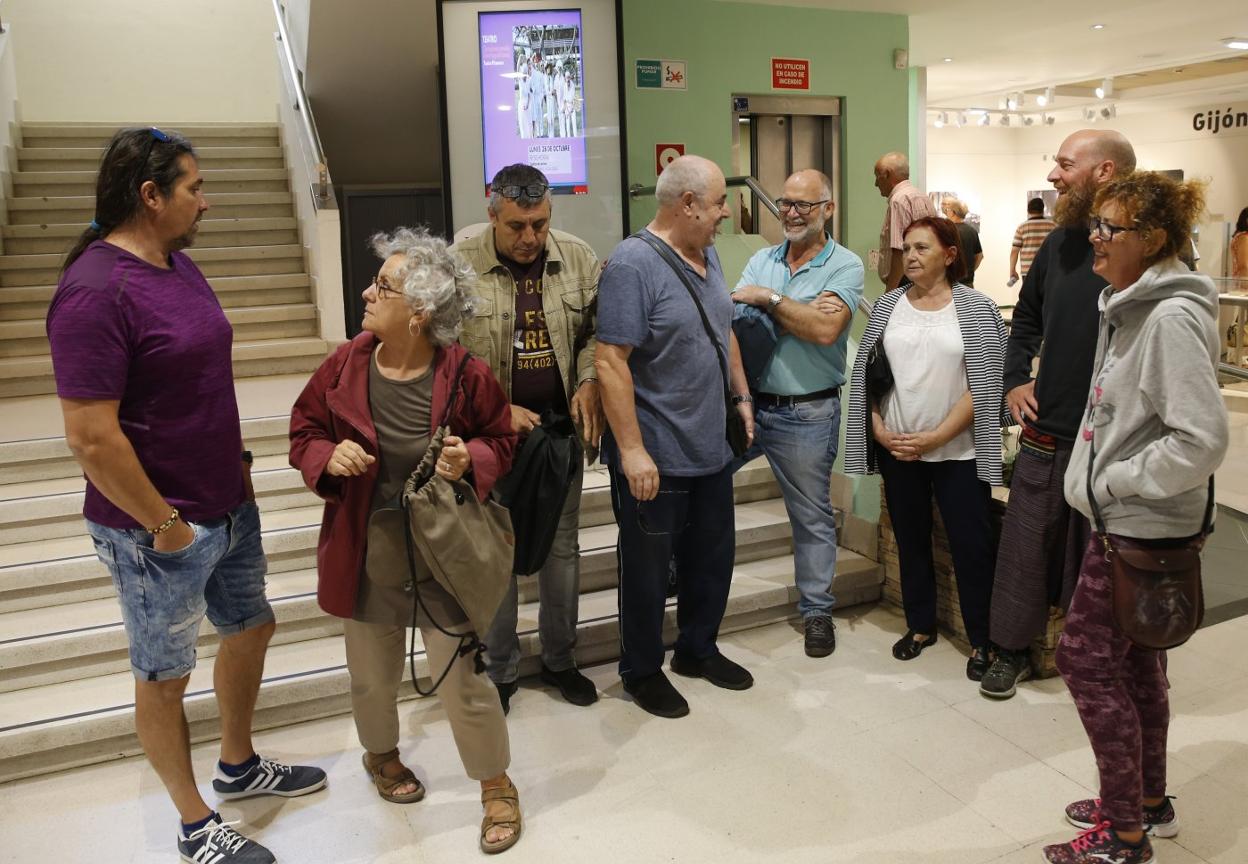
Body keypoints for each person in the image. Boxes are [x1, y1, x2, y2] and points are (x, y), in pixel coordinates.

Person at [47, 127, 325, 864]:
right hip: (156, 527)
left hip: (225, 502)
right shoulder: (94, 292)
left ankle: (237, 765)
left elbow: (197, 381)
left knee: (251, 627)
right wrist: (165, 525)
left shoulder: (175, 263)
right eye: (194, 188)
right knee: (163, 676)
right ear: (151, 195)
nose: (206, 201)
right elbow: (90, 438)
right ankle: (195, 821)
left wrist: (235, 468)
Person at [288, 228, 523, 855]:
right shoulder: (345, 364)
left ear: (419, 310)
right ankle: (382, 756)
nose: (367, 293)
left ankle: (495, 784)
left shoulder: (465, 373)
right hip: (367, 551)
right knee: (371, 676)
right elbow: (304, 430)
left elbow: (501, 438)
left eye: (382, 287)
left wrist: (469, 458)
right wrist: (325, 455)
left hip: (443, 553)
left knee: (462, 680)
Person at [1043, 172, 1228, 864]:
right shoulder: (1131, 306)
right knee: (1139, 665)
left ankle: (1124, 835)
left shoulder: (1168, 319)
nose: (1094, 237)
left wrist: (1115, 484)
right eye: (1095, 224)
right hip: (1132, 521)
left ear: (1150, 239)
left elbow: (1201, 439)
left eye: (1109, 228)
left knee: (1086, 662)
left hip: (1139, 524)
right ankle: (1147, 803)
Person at [595, 154, 756, 719]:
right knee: (646, 571)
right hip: (656, 453)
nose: (725, 214)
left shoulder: (708, 253)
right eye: (718, 204)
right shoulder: (632, 264)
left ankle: (697, 649)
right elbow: (610, 361)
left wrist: (741, 396)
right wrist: (632, 450)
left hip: (710, 446)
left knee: (711, 559)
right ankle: (641, 670)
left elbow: (724, 329)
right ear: (687, 204)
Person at [979, 129, 1136, 700]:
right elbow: (1025, 319)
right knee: (1024, 551)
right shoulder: (1059, 245)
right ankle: (1010, 652)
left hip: (1114, 443)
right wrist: (1015, 379)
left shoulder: (1146, 253)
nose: (1053, 176)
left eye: (1065, 165)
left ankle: (1107, 664)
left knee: (1105, 562)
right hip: (1048, 431)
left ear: (1105, 171)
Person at [452, 164, 604, 714]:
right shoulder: (459, 264)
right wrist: (495, 409)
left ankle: (561, 659)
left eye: (539, 224)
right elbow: (443, 356)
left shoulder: (578, 258)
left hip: (558, 432)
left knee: (562, 548)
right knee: (497, 551)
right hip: (490, 438)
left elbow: (595, 335)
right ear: (492, 214)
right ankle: (501, 670)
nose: (530, 237)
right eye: (517, 225)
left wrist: (588, 380)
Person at [844, 217, 1008, 681]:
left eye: (922, 248)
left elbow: (986, 384)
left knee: (971, 546)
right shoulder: (888, 305)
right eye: (907, 248)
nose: (911, 257)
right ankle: (920, 625)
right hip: (899, 449)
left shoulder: (977, 308)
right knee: (910, 539)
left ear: (950, 255)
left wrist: (938, 437)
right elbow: (868, 374)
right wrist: (879, 430)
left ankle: (982, 639)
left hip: (959, 452)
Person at [730, 168, 863, 657]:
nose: (790, 212)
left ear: (828, 209)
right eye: (785, 203)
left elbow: (826, 332)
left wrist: (768, 301)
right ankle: (681, 566)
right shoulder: (761, 259)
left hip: (807, 413)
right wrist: (796, 312)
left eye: (803, 205)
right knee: (700, 482)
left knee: (810, 517)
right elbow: (735, 322)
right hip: (749, 405)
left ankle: (816, 613)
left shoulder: (845, 266)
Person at [874, 151, 937, 291]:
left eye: (877, 177)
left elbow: (899, 251)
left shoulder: (899, 200)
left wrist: (890, 292)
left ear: (887, 174)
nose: (876, 184)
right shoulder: (922, 196)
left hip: (905, 282)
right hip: (925, 279)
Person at [1009, 197, 1056, 286]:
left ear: (1028, 210)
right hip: (1048, 270)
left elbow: (1014, 251)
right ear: (1042, 210)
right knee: (1047, 295)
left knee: (1029, 295)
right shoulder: (1053, 226)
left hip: (1028, 271)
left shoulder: (1021, 227)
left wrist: (1012, 270)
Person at [941, 196, 983, 286]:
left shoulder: (948, 231)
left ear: (953, 212)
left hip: (950, 282)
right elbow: (979, 256)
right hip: (968, 282)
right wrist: (970, 271)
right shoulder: (972, 231)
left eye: (948, 210)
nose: (946, 212)